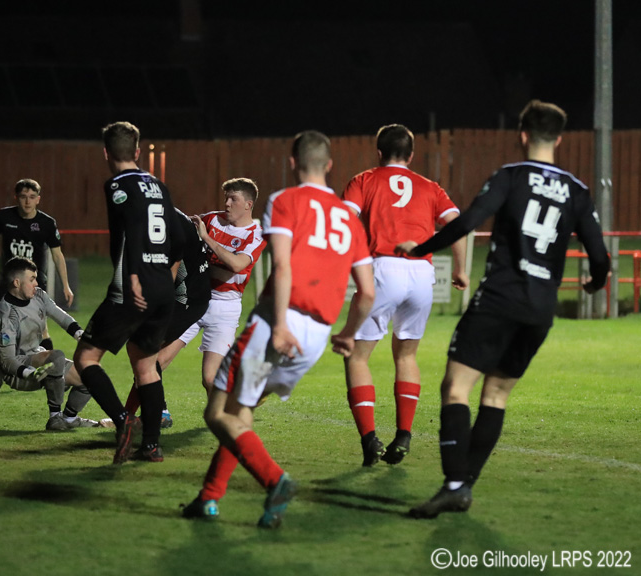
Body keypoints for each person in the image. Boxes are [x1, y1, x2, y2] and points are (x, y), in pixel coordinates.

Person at [395, 100, 610, 518]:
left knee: (456, 388)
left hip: (499, 298)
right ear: (559, 139)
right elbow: (599, 255)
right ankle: (463, 485)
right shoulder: (578, 192)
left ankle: (455, 485)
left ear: (523, 134)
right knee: (495, 394)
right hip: (540, 308)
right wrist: (596, 283)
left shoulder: (511, 177)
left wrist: (419, 249)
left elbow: (466, 222)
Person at [181, 130, 375, 528]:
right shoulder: (350, 219)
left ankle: (275, 480)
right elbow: (368, 292)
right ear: (330, 166)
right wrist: (349, 333)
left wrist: (281, 324)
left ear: (292, 164)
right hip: (317, 336)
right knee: (242, 411)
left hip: (276, 327)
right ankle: (209, 498)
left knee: (218, 412)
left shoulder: (285, 201)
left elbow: (282, 266)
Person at [340, 124, 469, 467]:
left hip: (383, 267)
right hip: (422, 273)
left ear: (378, 152)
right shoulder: (429, 186)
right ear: (411, 156)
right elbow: (457, 223)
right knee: (406, 354)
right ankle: (404, 435)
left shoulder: (364, 180)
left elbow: (345, 220)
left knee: (356, 356)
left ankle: (369, 440)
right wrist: (460, 268)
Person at [73, 120, 183, 464]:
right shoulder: (160, 186)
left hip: (132, 286)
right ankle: (151, 446)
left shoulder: (117, 185)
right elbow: (175, 237)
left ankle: (123, 422)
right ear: (137, 151)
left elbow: (133, 226)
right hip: (164, 286)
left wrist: (134, 275)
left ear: (106, 153)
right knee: (146, 366)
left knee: (86, 358)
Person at [123, 206, 211, 427]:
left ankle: (148, 414)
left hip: (186, 301)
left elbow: (170, 272)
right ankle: (135, 415)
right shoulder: (169, 216)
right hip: (190, 299)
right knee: (148, 357)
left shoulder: (167, 224)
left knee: (144, 353)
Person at [176, 178, 266, 395]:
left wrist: (207, 240)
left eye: (233, 199)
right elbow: (180, 229)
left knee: (210, 379)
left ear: (248, 204)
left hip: (224, 308)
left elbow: (236, 264)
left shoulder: (256, 233)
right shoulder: (211, 219)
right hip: (194, 299)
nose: (226, 203)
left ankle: (225, 415)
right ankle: (150, 414)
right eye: (226, 198)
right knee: (156, 360)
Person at [0, 257, 102, 430]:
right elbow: (8, 360)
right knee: (56, 356)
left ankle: (70, 419)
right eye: (32, 279)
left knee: (90, 376)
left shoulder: (39, 296)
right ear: (16, 283)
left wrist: (80, 334)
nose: (36, 283)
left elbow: (61, 316)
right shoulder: (6, 314)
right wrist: (30, 373)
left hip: (39, 358)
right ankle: (55, 418)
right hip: (18, 370)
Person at [0, 179, 73, 388]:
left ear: (38, 199)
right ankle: (1, 364)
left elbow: (57, 255)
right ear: (16, 197)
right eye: (23, 196)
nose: (27, 201)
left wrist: (65, 285)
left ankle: (51, 374)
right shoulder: (5, 216)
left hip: (34, 285)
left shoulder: (46, 223)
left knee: (42, 331)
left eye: (32, 197)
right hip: (8, 284)